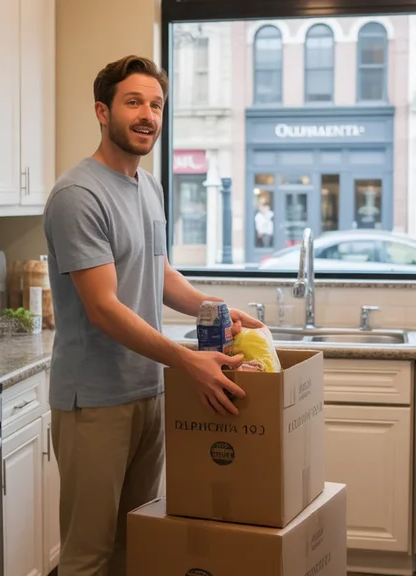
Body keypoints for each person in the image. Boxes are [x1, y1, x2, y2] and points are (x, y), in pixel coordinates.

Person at [41, 55, 264, 576]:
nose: (148, 115)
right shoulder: (78, 195)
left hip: (146, 392)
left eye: (157, 104)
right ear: (103, 111)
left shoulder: (149, 187)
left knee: (133, 545)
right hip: (93, 402)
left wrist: (219, 310)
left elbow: (161, 275)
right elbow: (104, 308)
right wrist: (186, 360)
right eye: (134, 102)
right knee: (88, 556)